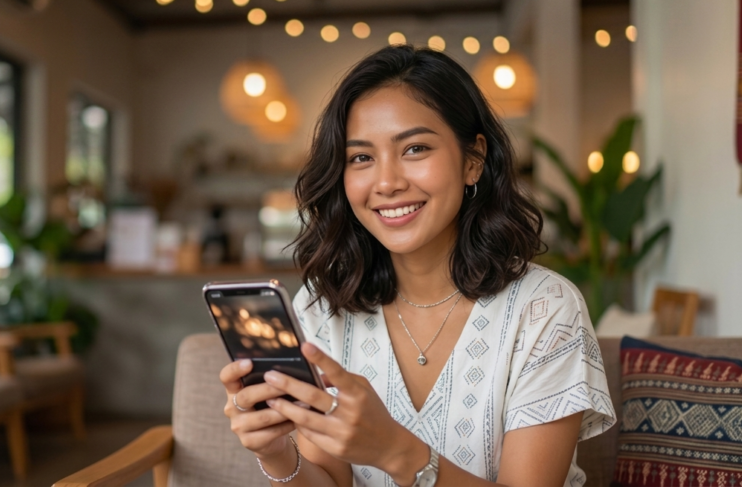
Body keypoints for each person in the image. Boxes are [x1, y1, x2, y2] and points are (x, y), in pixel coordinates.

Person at [220, 45, 615, 487]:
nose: (387, 182)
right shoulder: (325, 308)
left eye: (415, 148)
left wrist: (395, 451)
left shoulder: (544, 308)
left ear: (473, 160)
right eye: (361, 158)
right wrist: (276, 453)